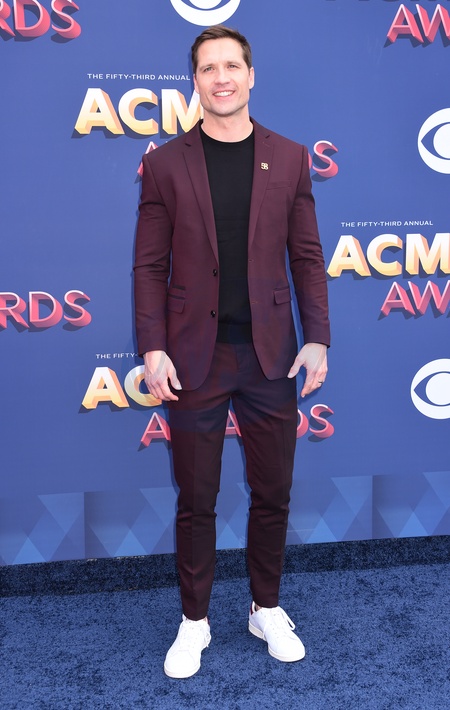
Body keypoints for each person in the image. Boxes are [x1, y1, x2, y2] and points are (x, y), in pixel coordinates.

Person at [134, 25, 330, 679]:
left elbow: (307, 257)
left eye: (231, 66)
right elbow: (148, 265)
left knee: (273, 491)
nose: (221, 78)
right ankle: (194, 621)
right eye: (208, 67)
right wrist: (153, 347)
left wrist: (318, 337)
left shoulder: (290, 157)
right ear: (194, 80)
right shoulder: (165, 164)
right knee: (196, 497)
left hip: (271, 356)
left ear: (251, 76)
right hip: (195, 357)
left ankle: (264, 606)